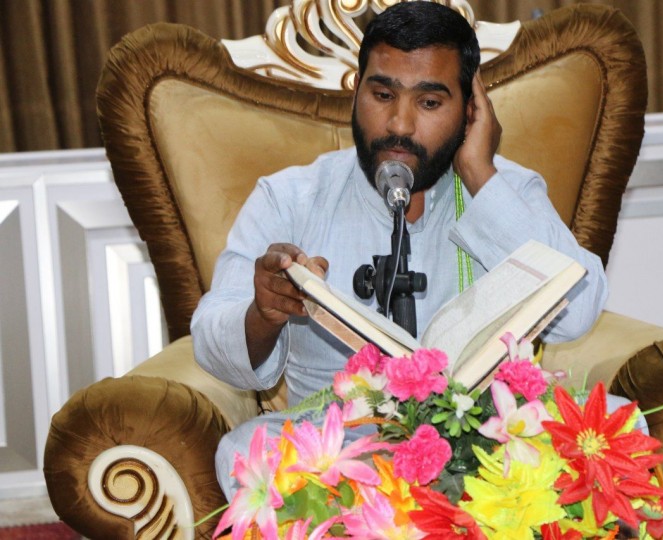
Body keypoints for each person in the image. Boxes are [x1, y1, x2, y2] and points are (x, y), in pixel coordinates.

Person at [191, 1, 608, 498]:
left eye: (429, 103)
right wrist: (264, 313)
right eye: (383, 95)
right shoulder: (290, 198)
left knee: (616, 427)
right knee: (244, 453)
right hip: (337, 456)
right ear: (356, 91)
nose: (399, 125)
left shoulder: (506, 190)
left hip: (483, 454)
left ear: (470, 110)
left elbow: (578, 311)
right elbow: (213, 346)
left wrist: (480, 177)